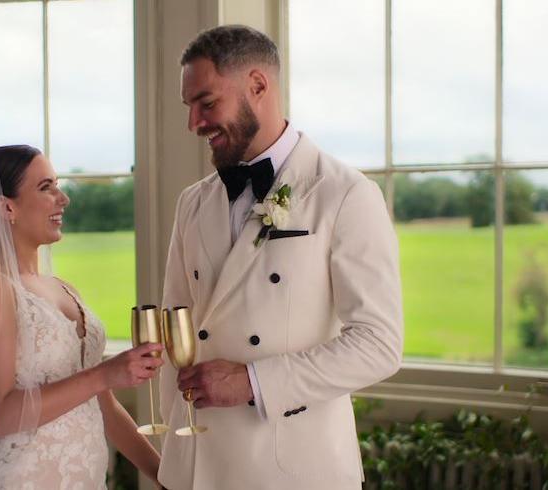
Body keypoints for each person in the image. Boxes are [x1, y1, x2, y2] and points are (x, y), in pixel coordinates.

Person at [158, 25, 404, 489]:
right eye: (188, 107)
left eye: (206, 103)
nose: (194, 124)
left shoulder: (346, 194)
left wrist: (253, 382)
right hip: (194, 465)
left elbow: (379, 343)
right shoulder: (192, 202)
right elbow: (178, 327)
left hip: (290, 469)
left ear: (258, 86)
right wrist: (171, 460)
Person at [0, 145, 163, 489]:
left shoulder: (64, 288)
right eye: (46, 188)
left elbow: (104, 407)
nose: (63, 199)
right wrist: (105, 374)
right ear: (6, 207)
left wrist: (165, 477)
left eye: (57, 185)